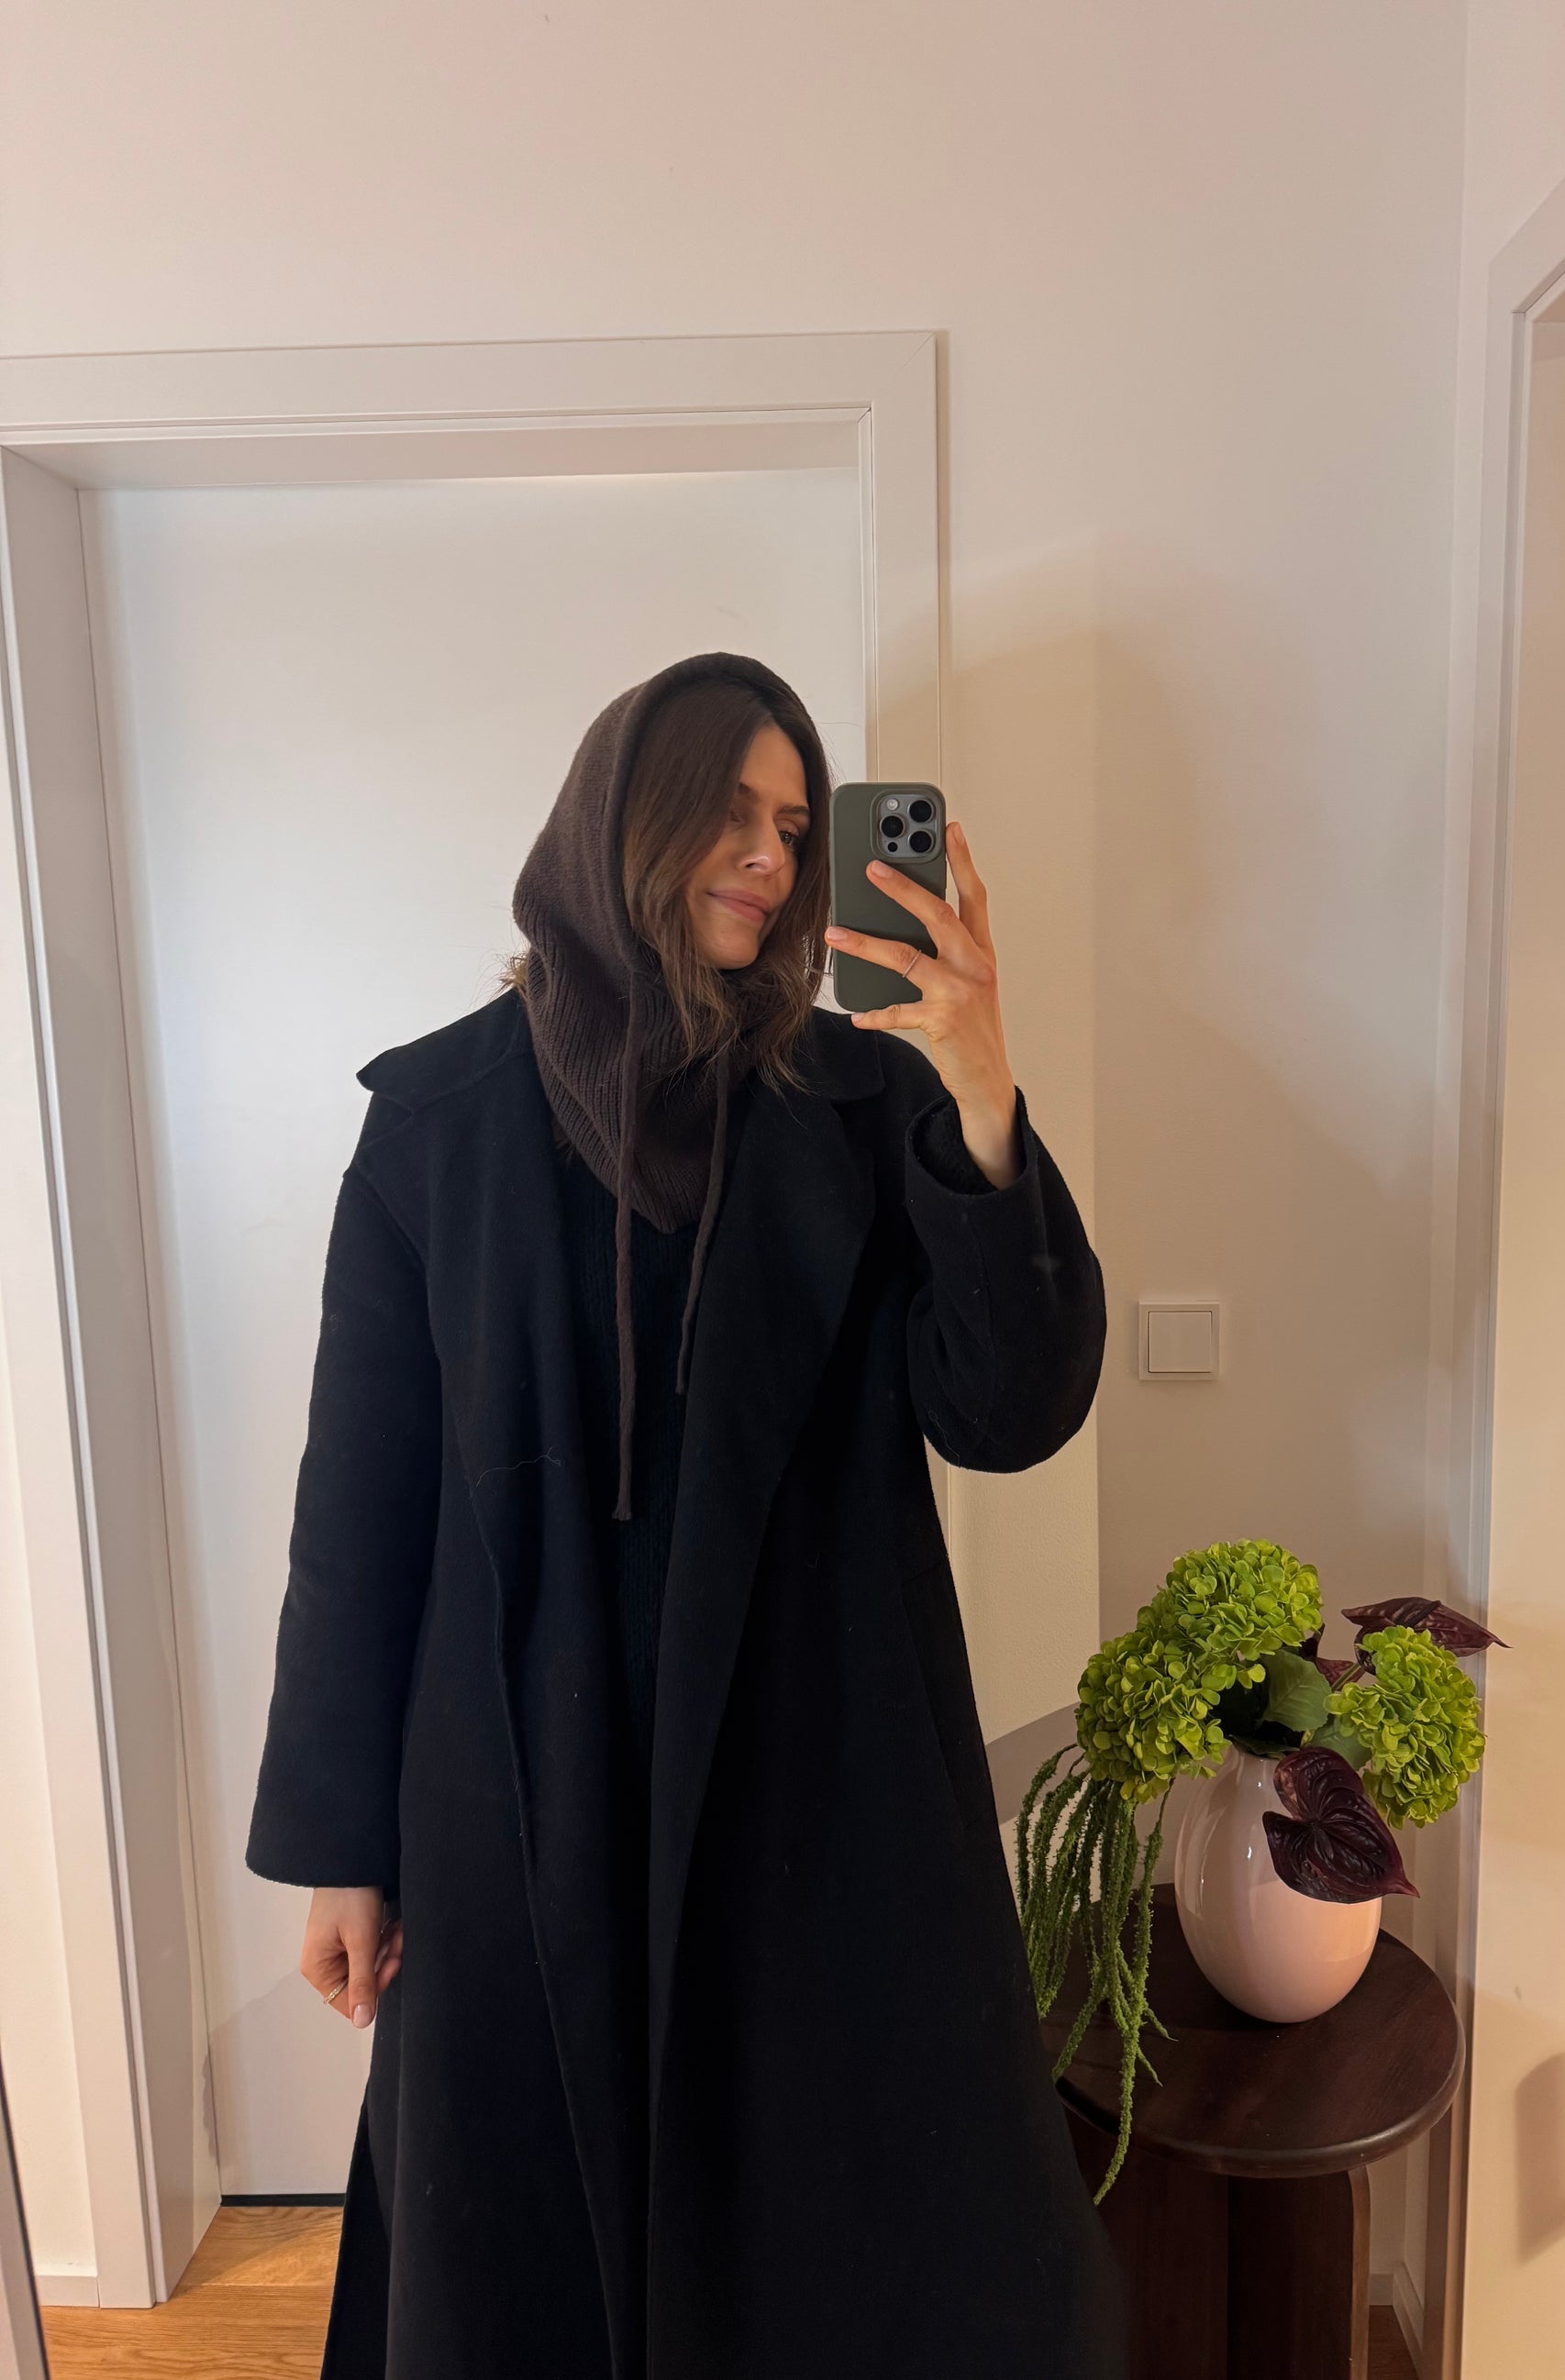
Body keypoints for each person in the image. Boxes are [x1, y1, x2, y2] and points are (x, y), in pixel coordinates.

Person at [244, 650, 1126, 2380]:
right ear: (621, 816)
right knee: (526, 2248)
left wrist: (979, 1092)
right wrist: (345, 1845)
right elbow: (356, 1505)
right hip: (516, 1776)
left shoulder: (864, 1106)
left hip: (816, 1774)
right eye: (730, 811)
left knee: (834, 2235)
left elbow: (1007, 1414)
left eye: (796, 824)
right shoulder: (437, 1125)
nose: (773, 859)